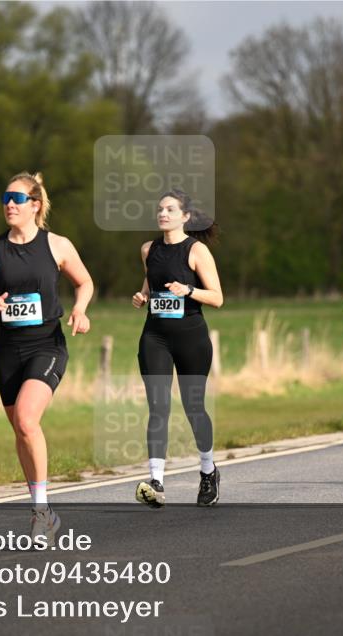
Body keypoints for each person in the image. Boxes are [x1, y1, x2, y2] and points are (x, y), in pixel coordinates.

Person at [0, 171, 93, 540]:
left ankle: (40, 510)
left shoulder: (57, 245)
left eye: (17, 199)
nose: (9, 204)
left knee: (25, 419)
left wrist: (80, 309)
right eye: (5, 198)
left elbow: (85, 281)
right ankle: (43, 510)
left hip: (46, 345)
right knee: (22, 431)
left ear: (35, 205)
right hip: (8, 351)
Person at [131, 189, 223, 508]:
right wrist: (142, 296)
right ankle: (156, 481)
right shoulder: (148, 249)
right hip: (155, 336)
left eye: (170, 209)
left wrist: (189, 290)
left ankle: (208, 471)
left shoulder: (196, 250)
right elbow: (150, 286)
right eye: (160, 209)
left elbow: (217, 297)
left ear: (185, 216)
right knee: (158, 407)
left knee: (193, 407)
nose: (163, 214)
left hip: (191, 337)